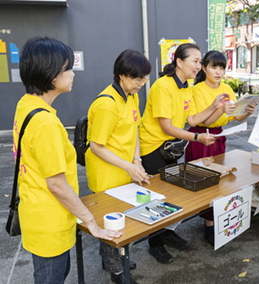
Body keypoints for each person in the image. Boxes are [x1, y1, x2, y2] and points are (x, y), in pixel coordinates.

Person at [13, 36, 121, 284]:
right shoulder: (46, 123)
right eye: (68, 68)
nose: (73, 74)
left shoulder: (26, 104)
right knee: (52, 278)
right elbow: (57, 184)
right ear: (52, 76)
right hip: (50, 222)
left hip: (35, 211)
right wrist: (91, 222)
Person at [139, 43, 230, 264]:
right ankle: (155, 244)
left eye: (200, 61)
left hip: (171, 147)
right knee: (157, 196)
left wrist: (214, 105)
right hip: (152, 147)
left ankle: (165, 231)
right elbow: (167, 127)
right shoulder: (163, 86)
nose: (199, 66)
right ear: (179, 62)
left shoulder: (186, 86)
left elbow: (192, 120)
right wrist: (197, 138)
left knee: (170, 193)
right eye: (195, 61)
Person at [85, 49, 151, 284]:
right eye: (137, 79)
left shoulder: (131, 95)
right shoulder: (107, 104)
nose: (141, 84)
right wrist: (129, 166)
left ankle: (112, 257)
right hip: (106, 171)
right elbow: (96, 147)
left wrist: (136, 161)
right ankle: (117, 271)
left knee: (124, 217)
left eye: (144, 79)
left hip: (123, 166)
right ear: (121, 75)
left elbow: (134, 129)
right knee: (111, 220)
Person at [185, 50, 257, 245]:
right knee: (204, 179)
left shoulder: (226, 88)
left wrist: (248, 112)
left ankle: (216, 220)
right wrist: (220, 109)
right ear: (205, 68)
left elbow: (235, 117)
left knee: (219, 178)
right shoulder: (197, 89)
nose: (218, 72)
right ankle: (209, 225)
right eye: (213, 67)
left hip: (218, 137)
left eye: (222, 68)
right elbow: (205, 120)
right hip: (200, 137)